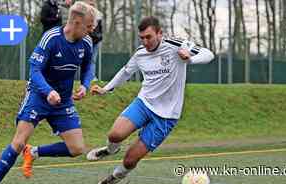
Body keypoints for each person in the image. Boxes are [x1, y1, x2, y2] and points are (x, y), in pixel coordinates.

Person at [86, 16, 215, 184]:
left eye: (149, 37)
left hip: (166, 116)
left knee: (130, 160)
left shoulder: (176, 45)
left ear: (159, 33)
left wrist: (190, 58)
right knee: (115, 134)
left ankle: (114, 178)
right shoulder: (140, 54)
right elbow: (126, 72)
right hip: (144, 103)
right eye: (142, 38)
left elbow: (208, 54)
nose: (145, 42)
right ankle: (110, 150)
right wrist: (106, 89)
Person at [0, 2, 95, 184]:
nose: (92, 30)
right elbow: (35, 69)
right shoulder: (51, 38)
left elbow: (88, 67)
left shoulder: (86, 42)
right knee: (18, 142)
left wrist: (85, 85)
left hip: (63, 101)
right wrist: (48, 91)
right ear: (77, 22)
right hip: (39, 95)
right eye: (89, 26)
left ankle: (34, 152)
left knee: (77, 148)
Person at [84, 0, 102, 80]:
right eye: (90, 4)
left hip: (96, 41)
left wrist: (99, 37)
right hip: (86, 40)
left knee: (92, 60)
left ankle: (91, 77)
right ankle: (84, 77)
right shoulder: (84, 14)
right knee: (84, 59)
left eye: (92, 3)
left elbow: (100, 29)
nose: (91, 5)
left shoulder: (98, 15)